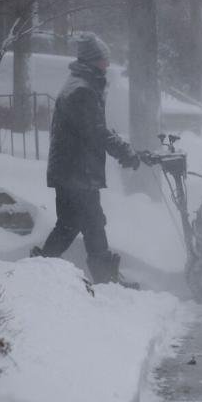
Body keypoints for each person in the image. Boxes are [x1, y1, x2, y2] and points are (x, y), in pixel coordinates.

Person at [32, 34, 141, 287]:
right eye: (104, 60)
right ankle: (101, 278)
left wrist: (123, 147)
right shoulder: (82, 90)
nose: (107, 64)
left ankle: (44, 269)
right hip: (76, 172)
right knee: (84, 223)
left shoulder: (82, 84)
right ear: (94, 61)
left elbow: (96, 127)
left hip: (74, 170)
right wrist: (124, 151)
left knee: (80, 223)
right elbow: (95, 131)